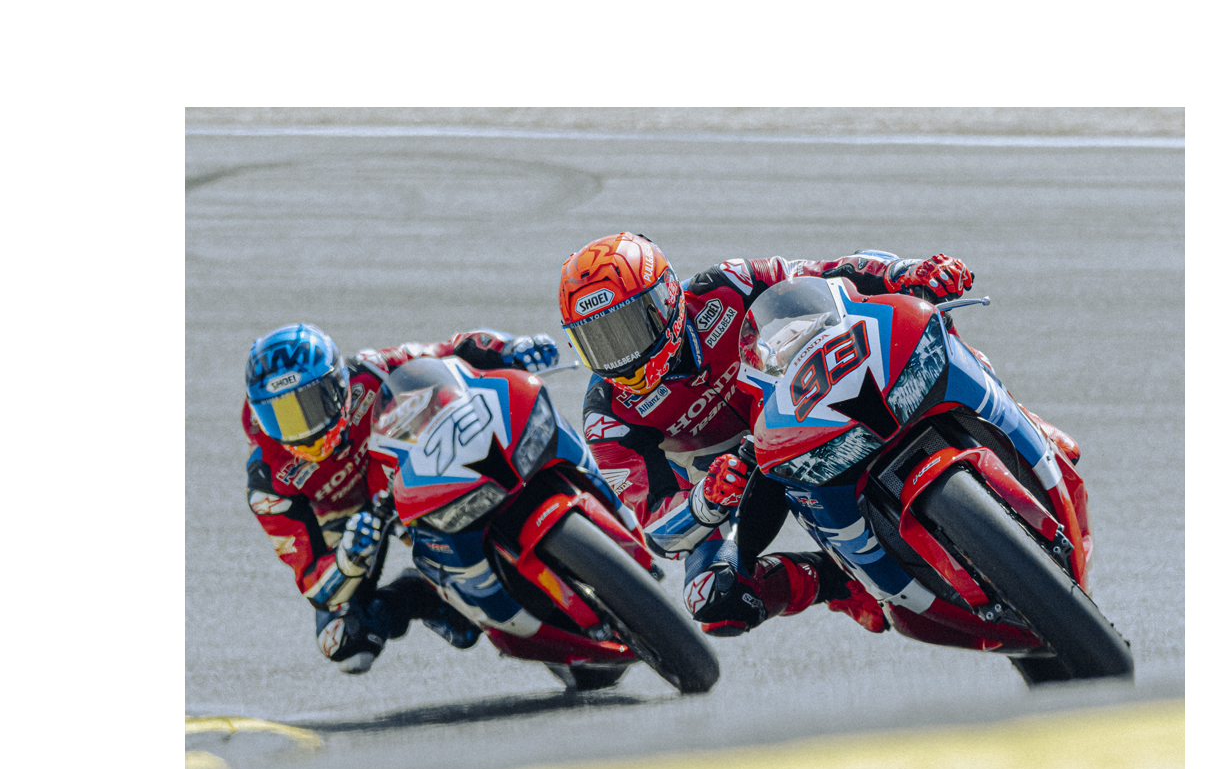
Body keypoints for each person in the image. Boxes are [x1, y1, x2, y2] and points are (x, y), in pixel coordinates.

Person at [558, 233, 976, 636]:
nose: (621, 355)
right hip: (738, 477)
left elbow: (829, 273)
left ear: (665, 296)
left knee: (909, 305)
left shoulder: (728, 284)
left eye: (626, 329)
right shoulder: (606, 416)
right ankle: (838, 582)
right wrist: (706, 500)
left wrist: (907, 271)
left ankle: (982, 403)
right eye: (598, 340)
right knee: (711, 597)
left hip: (803, 405)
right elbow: (658, 529)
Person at [243, 320, 558, 673]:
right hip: (348, 527)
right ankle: (422, 594)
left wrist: (509, 348)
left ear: (338, 385)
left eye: (311, 405)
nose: (303, 430)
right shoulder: (267, 481)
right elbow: (313, 582)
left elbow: (449, 350)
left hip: (404, 474)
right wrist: (347, 559)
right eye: (282, 416)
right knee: (344, 642)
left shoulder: (369, 369)